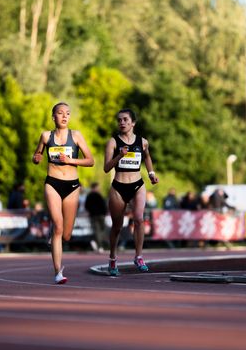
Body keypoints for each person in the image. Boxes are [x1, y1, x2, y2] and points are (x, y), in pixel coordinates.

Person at [32, 102, 94, 284]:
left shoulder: (76, 136)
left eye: (67, 113)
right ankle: (58, 272)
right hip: (52, 183)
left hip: (72, 185)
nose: (64, 116)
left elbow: (90, 161)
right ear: (54, 117)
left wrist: (71, 160)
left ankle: (55, 233)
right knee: (58, 226)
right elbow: (37, 155)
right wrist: (36, 158)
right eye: (60, 113)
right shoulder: (45, 136)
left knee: (66, 234)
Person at [104, 108, 158, 276]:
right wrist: (119, 156)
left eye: (125, 120)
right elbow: (106, 168)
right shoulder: (113, 142)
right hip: (118, 187)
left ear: (133, 123)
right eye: (119, 120)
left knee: (139, 219)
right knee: (117, 226)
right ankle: (112, 259)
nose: (122, 123)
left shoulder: (143, 142)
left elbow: (147, 157)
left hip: (137, 185)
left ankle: (139, 256)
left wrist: (151, 173)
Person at [85, 182, 108, 252]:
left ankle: (98, 243)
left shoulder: (90, 196)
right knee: (99, 230)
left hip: (96, 215)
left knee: (99, 230)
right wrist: (104, 212)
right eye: (98, 187)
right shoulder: (97, 195)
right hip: (98, 215)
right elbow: (103, 205)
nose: (99, 189)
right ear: (94, 188)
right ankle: (100, 245)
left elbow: (87, 206)